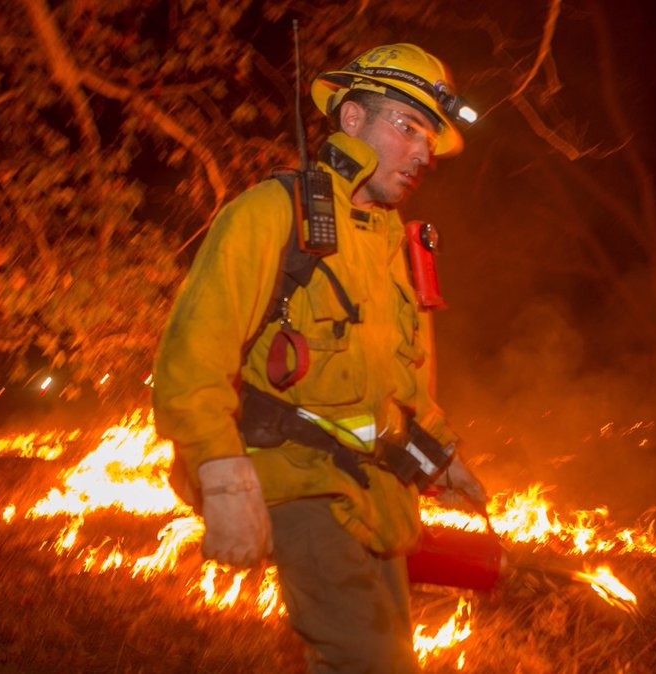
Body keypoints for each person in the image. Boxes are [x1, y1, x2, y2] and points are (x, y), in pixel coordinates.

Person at [152, 43, 486, 673]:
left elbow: (403, 379)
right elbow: (191, 362)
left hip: (379, 494)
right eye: (408, 126)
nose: (422, 153)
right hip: (299, 483)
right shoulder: (271, 214)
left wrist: (440, 456)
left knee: (388, 654)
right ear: (352, 118)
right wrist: (222, 480)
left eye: (430, 139)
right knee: (372, 662)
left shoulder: (396, 246)